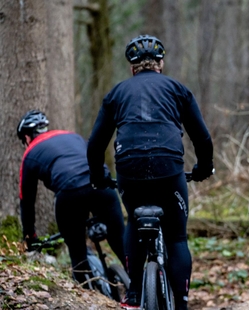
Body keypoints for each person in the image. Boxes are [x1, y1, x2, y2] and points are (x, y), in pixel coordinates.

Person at [87, 34, 214, 310]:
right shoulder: (178, 89)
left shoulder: (116, 93)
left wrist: (98, 177)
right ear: (161, 63)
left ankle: (133, 296)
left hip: (129, 169)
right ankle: (181, 304)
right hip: (169, 167)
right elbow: (202, 138)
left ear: (132, 68)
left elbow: (95, 145)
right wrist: (203, 168)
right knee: (177, 237)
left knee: (133, 221)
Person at [17, 109, 126, 287]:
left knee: (77, 254)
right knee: (120, 241)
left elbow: (27, 202)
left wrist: (30, 238)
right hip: (101, 185)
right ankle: (144, 287)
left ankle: (87, 296)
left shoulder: (29, 154)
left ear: (27, 137)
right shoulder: (72, 136)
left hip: (70, 193)